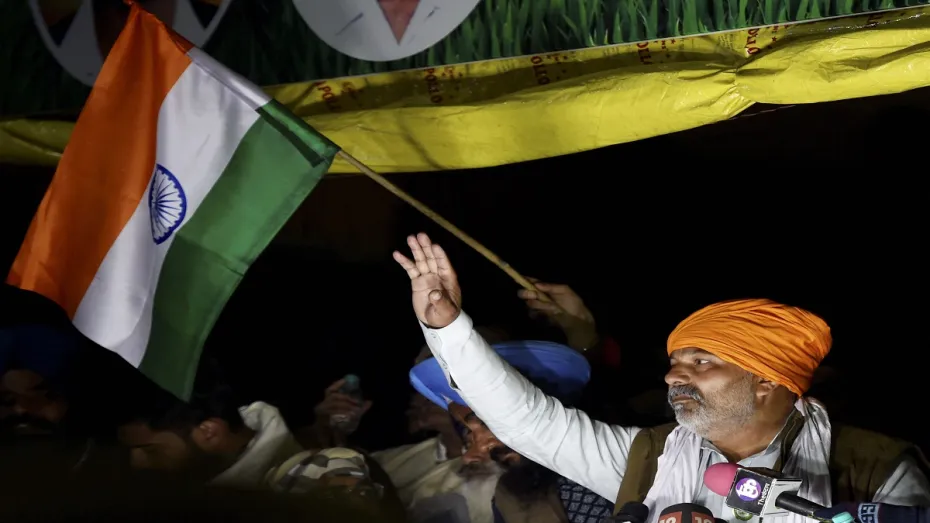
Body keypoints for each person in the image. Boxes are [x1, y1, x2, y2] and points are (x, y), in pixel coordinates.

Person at [392, 233, 930, 523]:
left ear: (766, 380)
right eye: (676, 360)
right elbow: (528, 422)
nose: (673, 373)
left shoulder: (873, 470)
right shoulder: (646, 458)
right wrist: (448, 329)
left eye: (701, 361)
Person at [408, 340, 613, 523]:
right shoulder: (510, 497)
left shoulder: (609, 460)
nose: (469, 456)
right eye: (468, 437)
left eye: (486, 424)